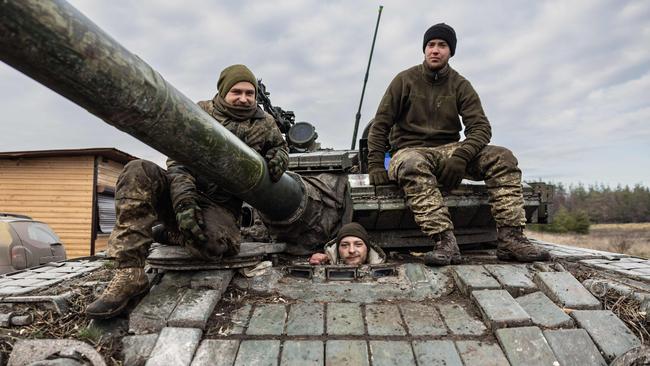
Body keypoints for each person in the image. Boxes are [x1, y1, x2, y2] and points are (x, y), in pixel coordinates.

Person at [86, 64, 289, 319]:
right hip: (181, 187)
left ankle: (172, 232)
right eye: (237, 92)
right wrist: (183, 201)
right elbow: (179, 161)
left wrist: (279, 155)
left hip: (220, 205)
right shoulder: (200, 113)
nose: (244, 98)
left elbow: (281, 147)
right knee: (137, 170)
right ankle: (129, 272)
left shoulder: (266, 123)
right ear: (223, 90)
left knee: (216, 246)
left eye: (250, 93)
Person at [367, 23, 549, 266]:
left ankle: (510, 238)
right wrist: (376, 165)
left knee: (503, 156)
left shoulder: (460, 85)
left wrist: (461, 156)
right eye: (431, 45)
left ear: (450, 52)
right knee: (412, 162)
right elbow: (380, 125)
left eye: (442, 45)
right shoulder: (404, 80)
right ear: (424, 49)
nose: (435, 50)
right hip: (409, 149)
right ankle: (445, 241)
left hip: (449, 149)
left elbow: (481, 128)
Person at [309, 222, 386, 265]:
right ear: (337, 250)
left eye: (358, 244)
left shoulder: (385, 269)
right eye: (344, 245)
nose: (351, 251)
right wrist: (316, 266)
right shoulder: (325, 264)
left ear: (367, 248)